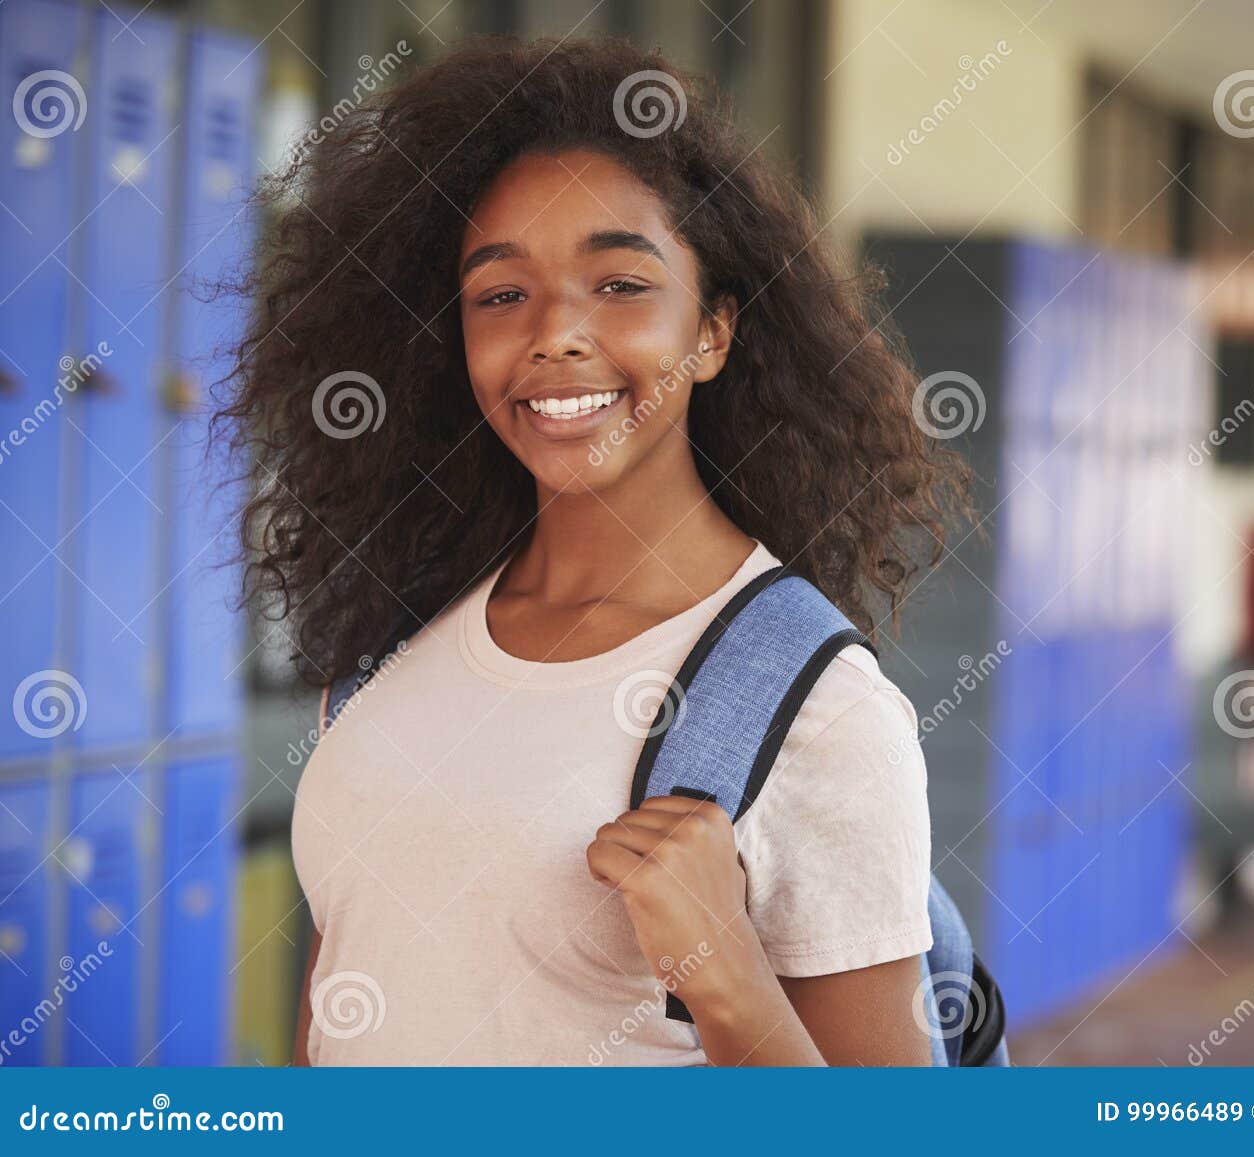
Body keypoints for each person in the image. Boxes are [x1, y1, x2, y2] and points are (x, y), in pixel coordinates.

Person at [218, 35, 973, 1066]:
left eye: (619, 283)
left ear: (711, 332)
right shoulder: (401, 638)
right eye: (500, 293)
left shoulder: (818, 711)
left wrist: (731, 980)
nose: (554, 333)